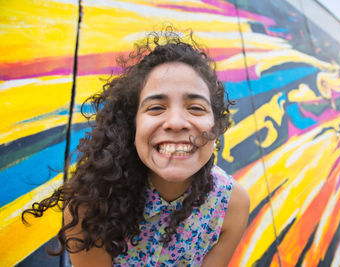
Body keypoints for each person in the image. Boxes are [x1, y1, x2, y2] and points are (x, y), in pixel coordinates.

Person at [23, 27, 250, 266]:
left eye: (196, 108)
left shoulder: (232, 206)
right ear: (132, 126)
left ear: (216, 126)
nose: (175, 122)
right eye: (155, 108)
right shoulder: (90, 202)